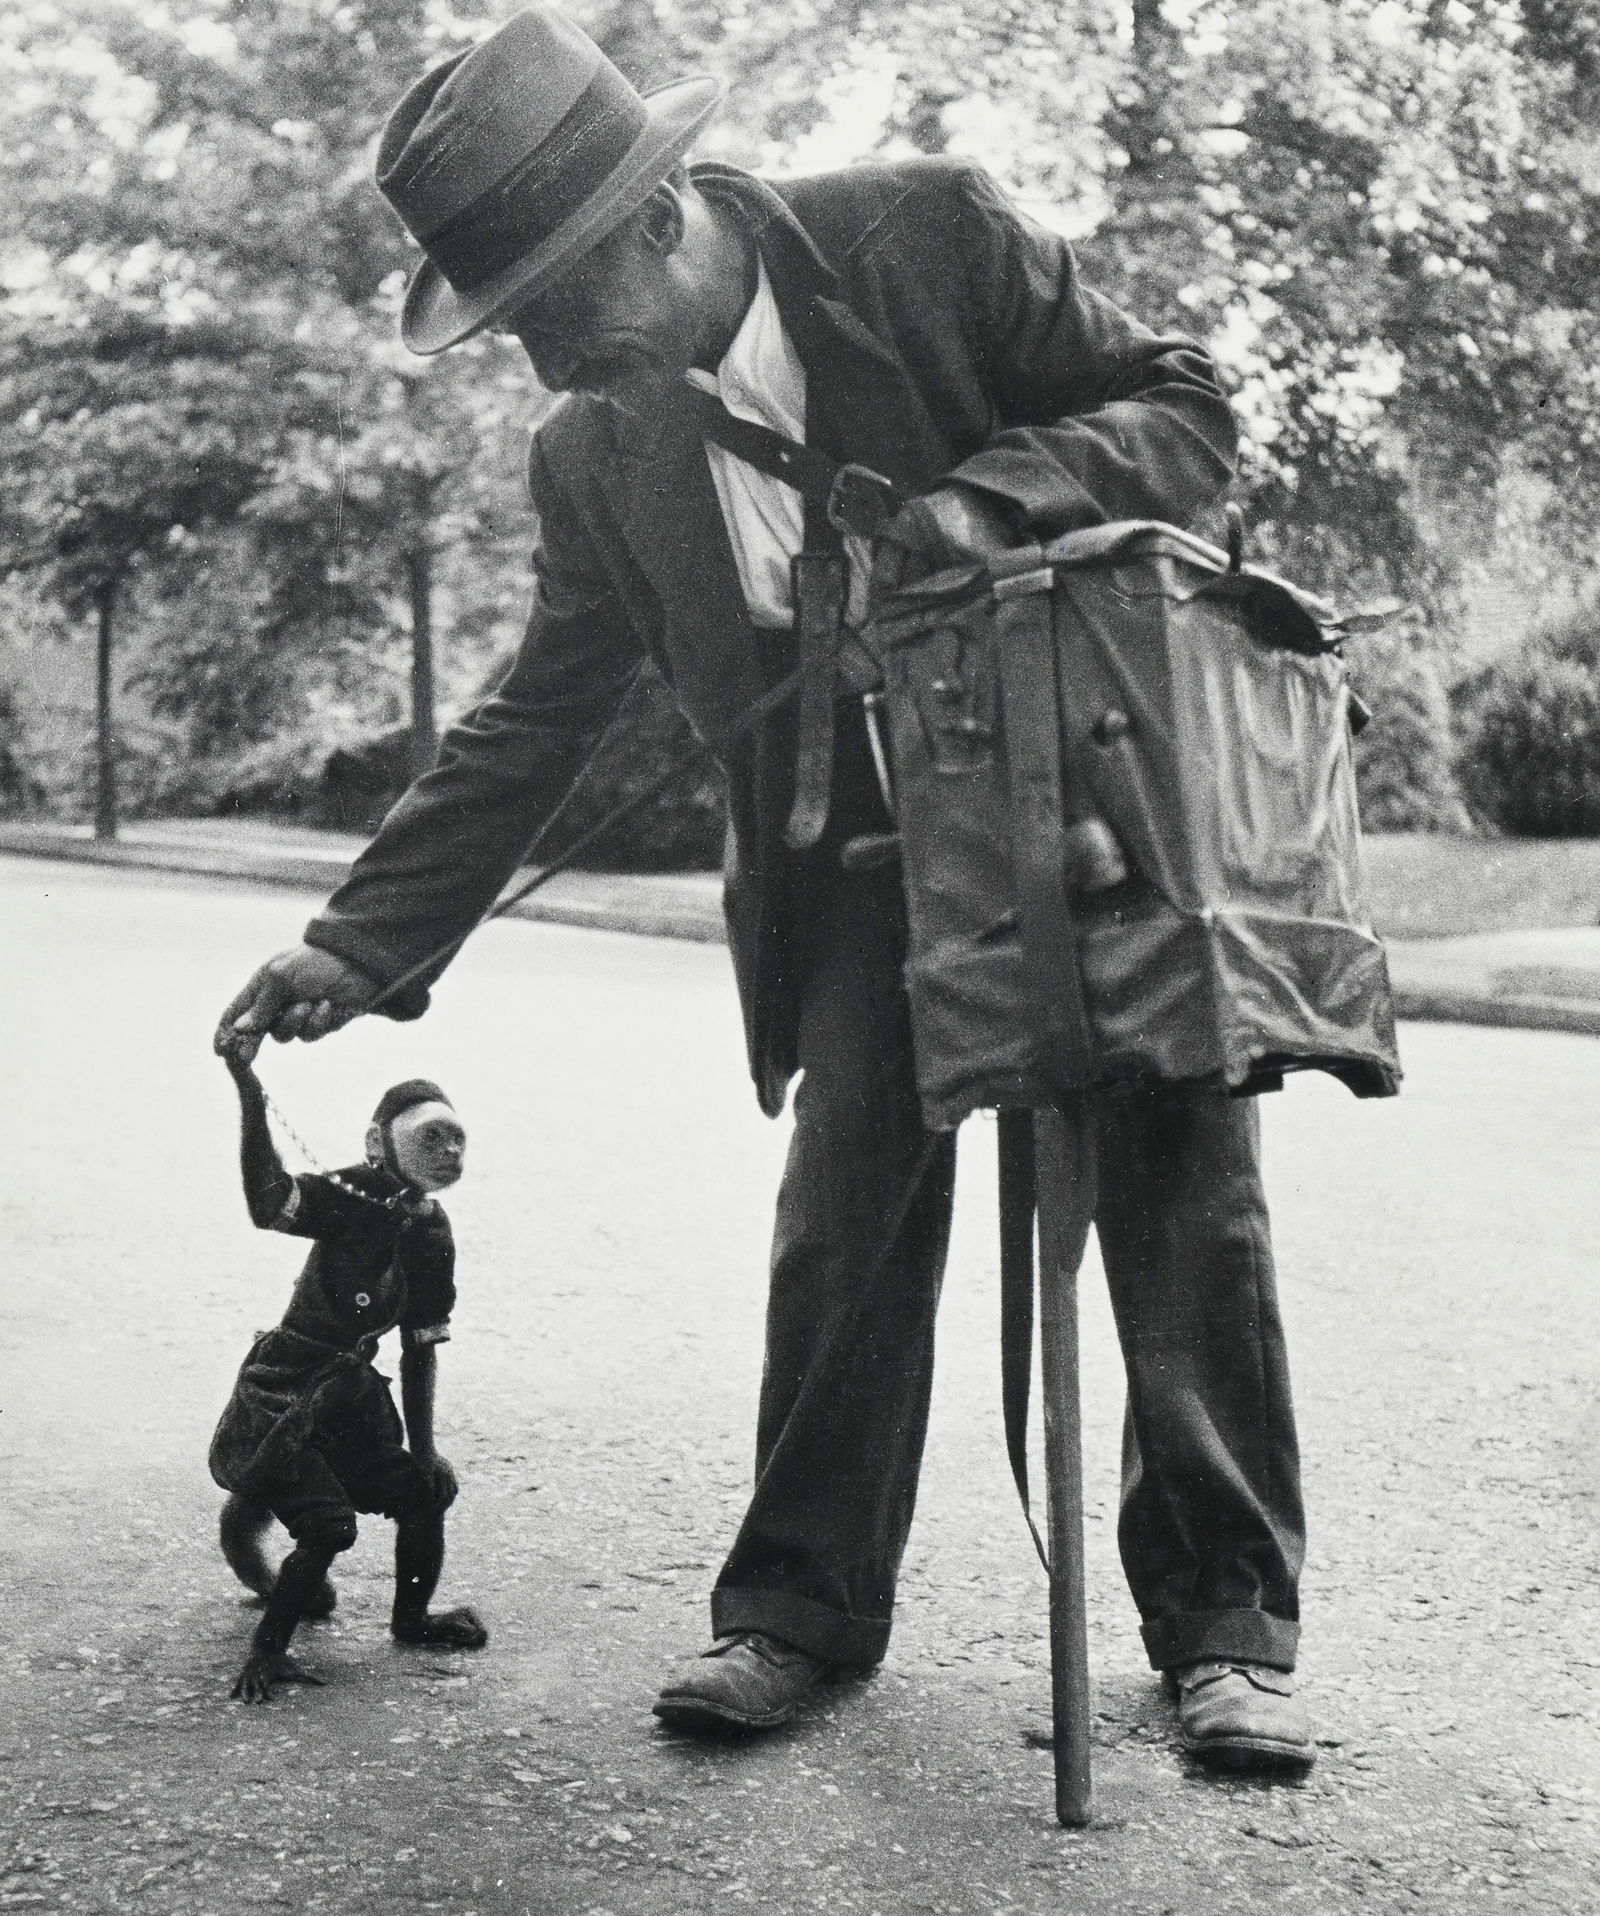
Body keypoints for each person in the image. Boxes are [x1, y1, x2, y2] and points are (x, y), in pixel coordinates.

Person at [216, 5, 1313, 1769]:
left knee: (1182, 1208)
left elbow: (1184, 412)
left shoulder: (926, 236)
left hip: (1100, 812)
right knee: (844, 1229)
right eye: (512, 331)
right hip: (862, 874)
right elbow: (538, 713)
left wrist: (987, 505)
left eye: (555, 313)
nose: (547, 366)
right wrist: (358, 939)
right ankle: (795, 1616)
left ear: (656, 224)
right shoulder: (594, 455)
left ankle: (1225, 1635)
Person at [209, 1043, 487, 1702]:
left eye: (457, 1141)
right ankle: (268, 1647)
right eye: (432, 1136)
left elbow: (420, 1349)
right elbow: (268, 1202)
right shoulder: (356, 1193)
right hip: (289, 1390)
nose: (449, 1153)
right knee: (327, 1525)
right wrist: (252, 1101)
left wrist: (424, 1451)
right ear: (378, 1142)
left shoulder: (431, 1230)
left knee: (425, 1489)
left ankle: (412, 1618)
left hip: (351, 1398)